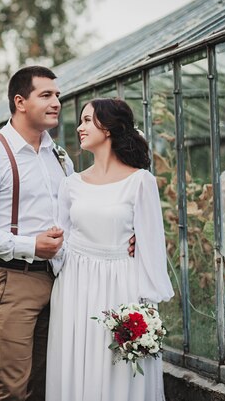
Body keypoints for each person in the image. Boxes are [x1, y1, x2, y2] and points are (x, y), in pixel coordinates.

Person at [0, 65, 72, 401]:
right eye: (46, 95)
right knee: (11, 387)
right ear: (20, 102)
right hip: (11, 280)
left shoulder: (59, 157)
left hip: (60, 281)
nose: (56, 103)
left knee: (47, 384)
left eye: (57, 95)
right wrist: (29, 245)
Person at [46, 98, 174, 401]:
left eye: (88, 120)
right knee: (76, 365)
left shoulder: (140, 182)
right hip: (74, 288)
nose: (79, 127)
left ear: (110, 128)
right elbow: (60, 243)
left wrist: (147, 309)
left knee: (116, 371)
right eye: (81, 120)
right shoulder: (71, 185)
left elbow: (152, 248)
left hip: (122, 285)